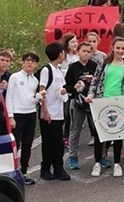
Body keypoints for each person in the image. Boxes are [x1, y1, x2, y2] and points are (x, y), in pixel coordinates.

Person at [86, 37, 124, 178]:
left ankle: (117, 163)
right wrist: (90, 95)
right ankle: (98, 162)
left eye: (122, 48)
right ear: (113, 47)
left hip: (119, 103)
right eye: (117, 48)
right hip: (102, 102)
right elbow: (95, 81)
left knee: (118, 134)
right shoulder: (104, 62)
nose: (120, 51)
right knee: (100, 134)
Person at [5, 51, 45, 185]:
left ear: (36, 64)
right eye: (27, 60)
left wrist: (38, 98)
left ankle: (24, 171)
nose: (30, 63)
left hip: (31, 113)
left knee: (27, 144)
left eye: (33, 61)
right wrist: (10, 116)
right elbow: (9, 97)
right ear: (22, 62)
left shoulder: (35, 80)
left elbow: (32, 99)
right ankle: (12, 171)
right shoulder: (15, 77)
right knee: (15, 144)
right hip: (17, 114)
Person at [64, 42, 100, 171]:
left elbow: (100, 83)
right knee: (75, 129)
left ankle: (100, 157)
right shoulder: (73, 67)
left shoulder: (95, 66)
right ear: (78, 52)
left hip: (92, 101)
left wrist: (92, 84)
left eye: (88, 51)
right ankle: (73, 157)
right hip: (77, 101)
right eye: (83, 51)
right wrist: (75, 87)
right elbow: (66, 85)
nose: (86, 53)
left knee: (98, 130)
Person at [38, 45, 71, 181]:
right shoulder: (47, 70)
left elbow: (60, 89)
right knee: (48, 142)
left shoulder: (58, 70)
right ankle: (45, 168)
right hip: (49, 113)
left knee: (58, 142)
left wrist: (64, 91)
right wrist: (45, 111)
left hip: (58, 112)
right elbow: (42, 90)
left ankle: (58, 167)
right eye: (63, 52)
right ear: (59, 54)